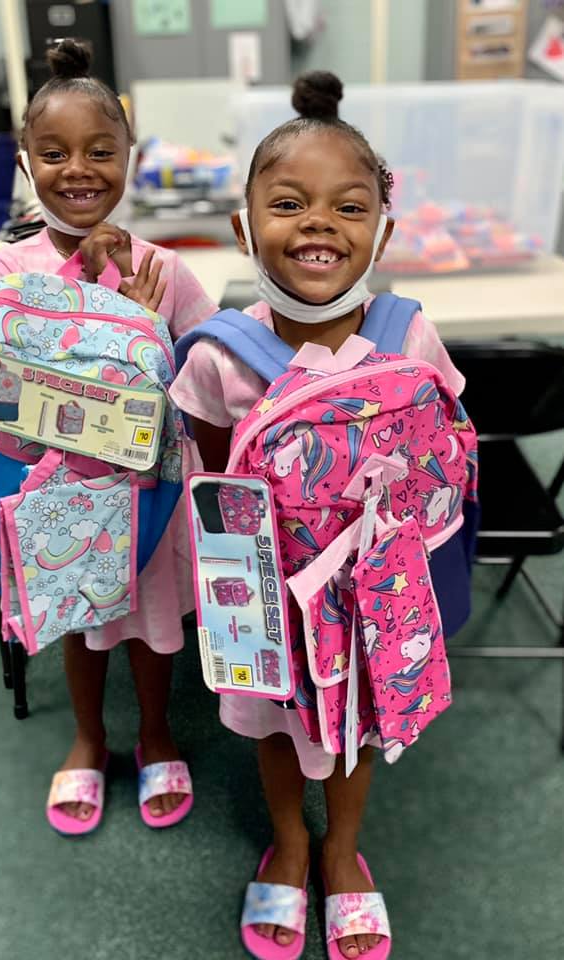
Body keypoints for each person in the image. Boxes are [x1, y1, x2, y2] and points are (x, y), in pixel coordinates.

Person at [170, 71, 465, 960]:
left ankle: (340, 848)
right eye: (290, 203)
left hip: (371, 601)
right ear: (243, 227)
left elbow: (438, 447)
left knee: (353, 731)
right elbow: (213, 481)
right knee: (273, 723)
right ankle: (290, 844)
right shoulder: (224, 353)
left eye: (349, 207)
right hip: (267, 604)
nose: (319, 225)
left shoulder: (407, 333)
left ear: (382, 227)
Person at [0, 39, 218, 834]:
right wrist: (106, 315)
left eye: (99, 151)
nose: (77, 169)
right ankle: (89, 737)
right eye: (53, 153)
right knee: (78, 622)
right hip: (59, 490)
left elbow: (206, 383)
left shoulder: (167, 269)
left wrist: (151, 330)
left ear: (130, 158)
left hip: (149, 488)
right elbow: (6, 391)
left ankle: (156, 733)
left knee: (153, 624)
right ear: (26, 162)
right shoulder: (7, 272)